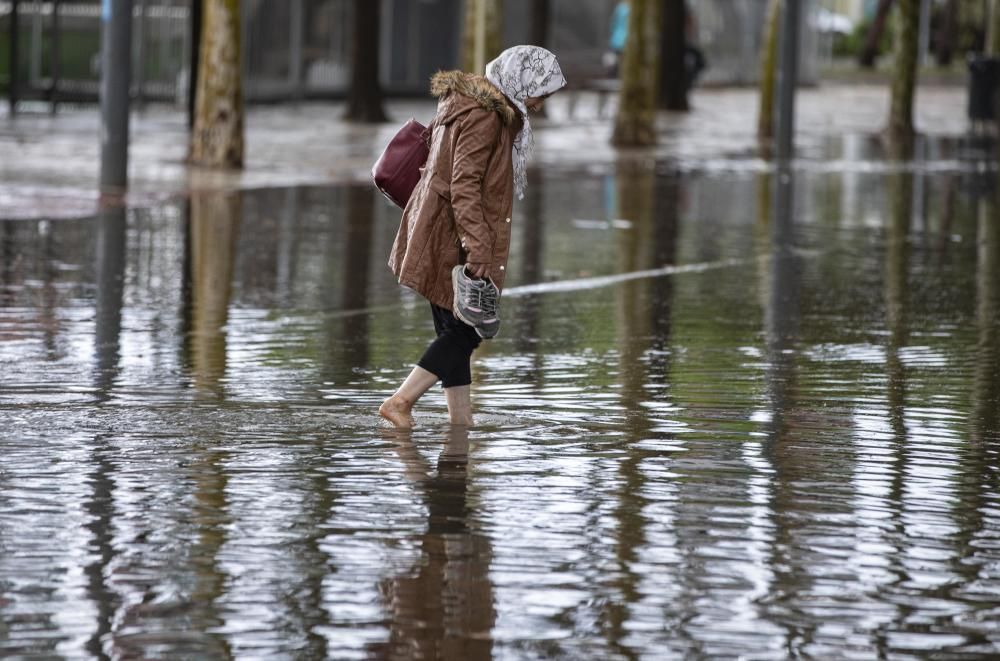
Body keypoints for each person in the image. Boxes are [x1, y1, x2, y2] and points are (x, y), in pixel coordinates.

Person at [379, 46, 567, 428]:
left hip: (440, 227)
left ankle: (460, 422)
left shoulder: (475, 106)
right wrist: (478, 247)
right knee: (467, 331)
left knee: (455, 330)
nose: (541, 104)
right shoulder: (485, 115)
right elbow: (464, 184)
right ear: (521, 80)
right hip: (453, 235)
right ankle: (401, 401)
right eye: (540, 93)